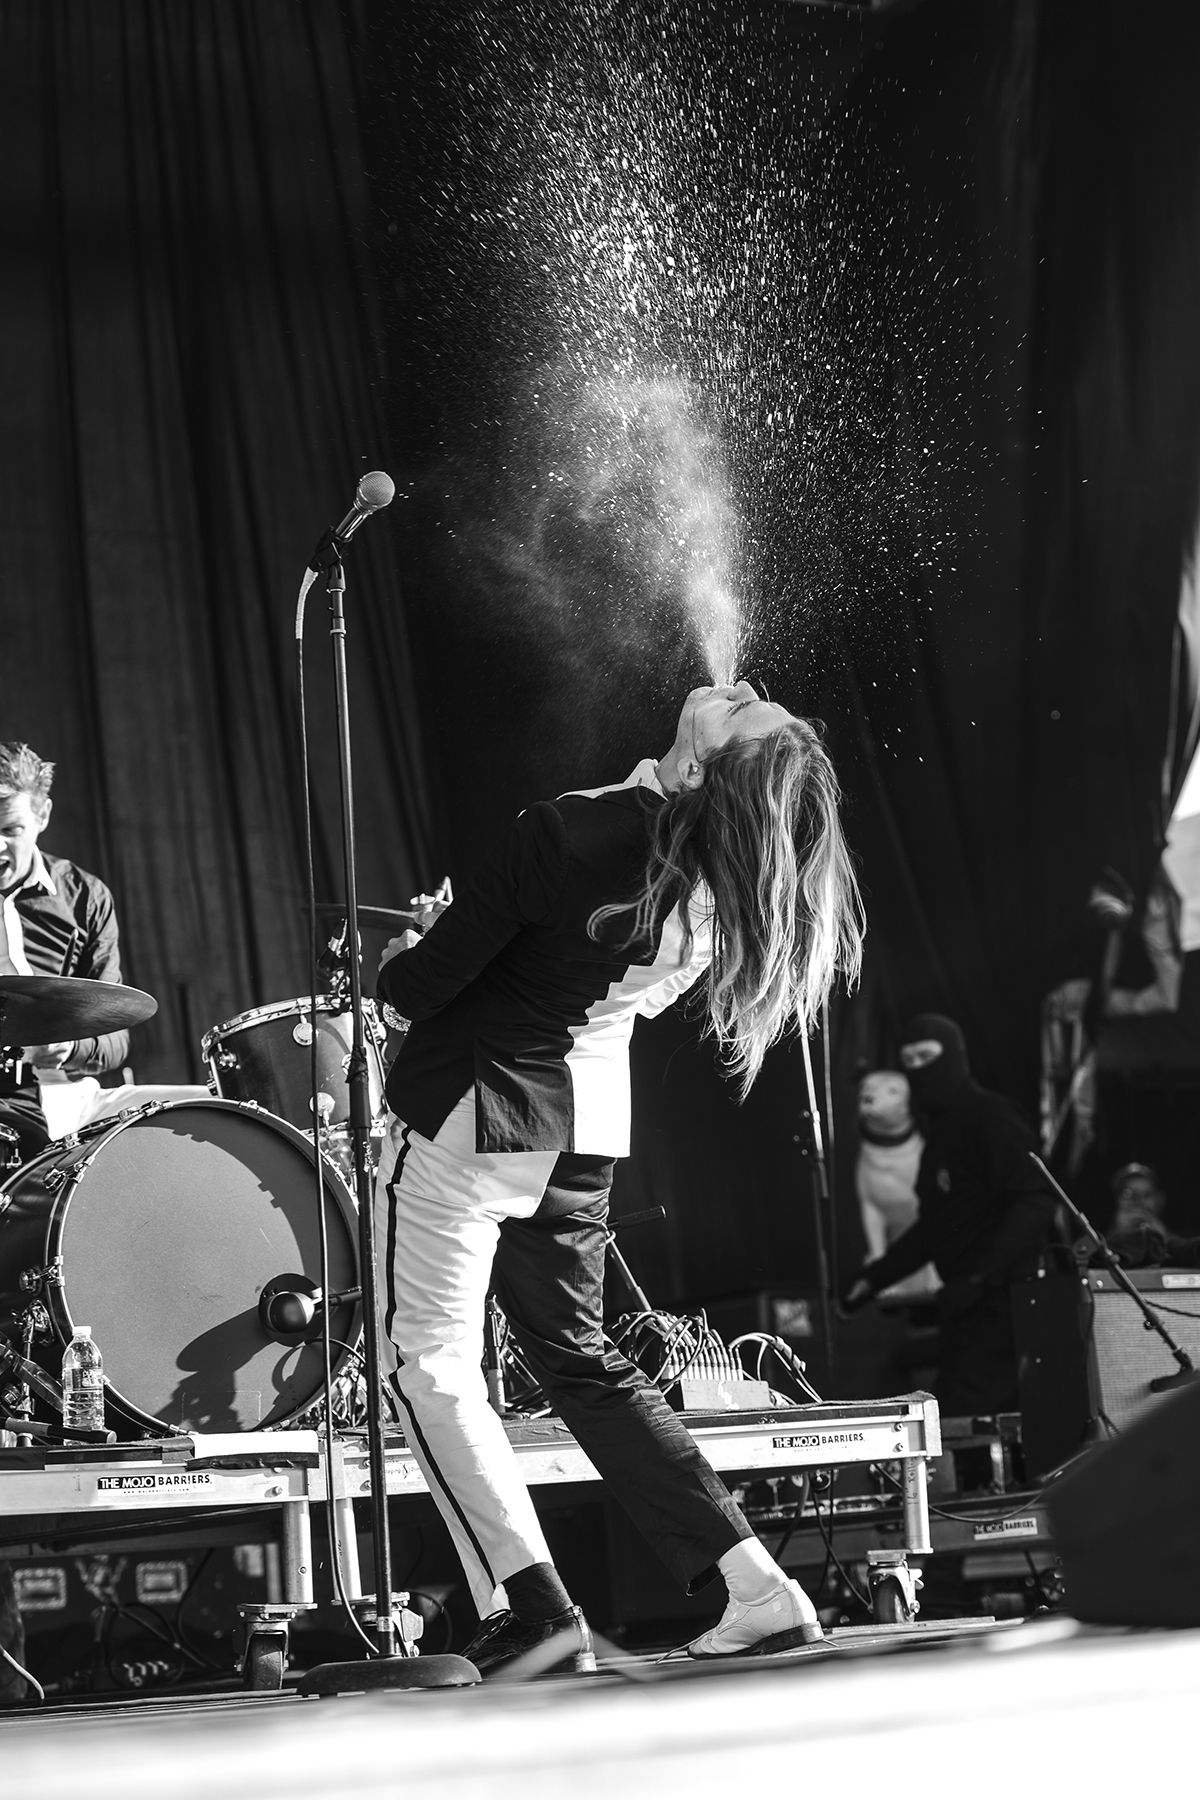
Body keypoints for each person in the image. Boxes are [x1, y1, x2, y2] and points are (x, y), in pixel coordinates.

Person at [374, 681, 864, 1675]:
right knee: (586, 1366)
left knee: (423, 1362)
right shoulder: (722, 888)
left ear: (703, 768)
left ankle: (533, 1609)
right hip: (580, 1135)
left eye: (747, 713)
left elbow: (421, 986)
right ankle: (760, 1591)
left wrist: (400, 964)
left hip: (476, 1116)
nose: (744, 687)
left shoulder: (568, 834)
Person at [840, 1015, 1056, 1416]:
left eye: (927, 1057)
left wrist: (983, 1276)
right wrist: (873, 1278)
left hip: (1008, 1302)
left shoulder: (989, 1116)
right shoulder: (940, 1134)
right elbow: (937, 1226)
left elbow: (1036, 1200)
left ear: (953, 1056)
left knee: (962, 1414)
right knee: (954, 1413)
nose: (918, 1069)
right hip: (967, 1306)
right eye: (909, 1061)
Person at [0, 743, 129, 1161]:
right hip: (9, 1102)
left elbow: (116, 1034)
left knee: (208, 1116)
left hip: (76, 1096)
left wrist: (70, 1049)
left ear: (42, 815)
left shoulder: (86, 896)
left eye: (11, 829)